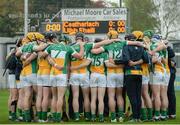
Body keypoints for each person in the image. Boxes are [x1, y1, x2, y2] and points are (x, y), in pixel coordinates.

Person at [44, 32, 84, 122]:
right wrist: (81, 46)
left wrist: (54, 63)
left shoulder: (51, 47)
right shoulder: (68, 47)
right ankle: (58, 118)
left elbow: (44, 55)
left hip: (53, 74)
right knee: (60, 97)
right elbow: (80, 56)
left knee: (54, 97)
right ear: (66, 41)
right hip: (62, 74)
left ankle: (53, 116)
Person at [121, 31, 149, 122]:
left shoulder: (126, 46)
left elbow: (126, 59)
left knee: (132, 96)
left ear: (128, 40)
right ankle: (138, 117)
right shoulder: (141, 47)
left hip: (130, 73)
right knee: (138, 96)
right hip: (139, 73)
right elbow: (146, 59)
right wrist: (137, 62)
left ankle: (134, 118)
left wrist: (130, 62)